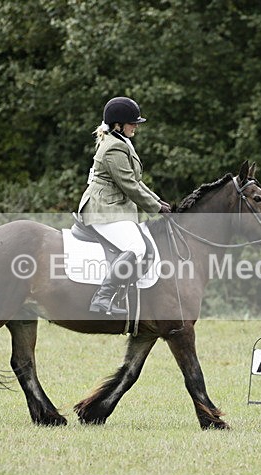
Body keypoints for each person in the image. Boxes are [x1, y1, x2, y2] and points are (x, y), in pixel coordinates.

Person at [77, 96, 171, 315]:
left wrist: (159, 202)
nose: (136, 126)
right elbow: (129, 185)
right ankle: (103, 297)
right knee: (137, 248)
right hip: (103, 209)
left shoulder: (120, 142)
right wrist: (156, 209)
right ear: (118, 124)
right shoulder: (113, 148)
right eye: (132, 123)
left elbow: (136, 182)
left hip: (114, 208)